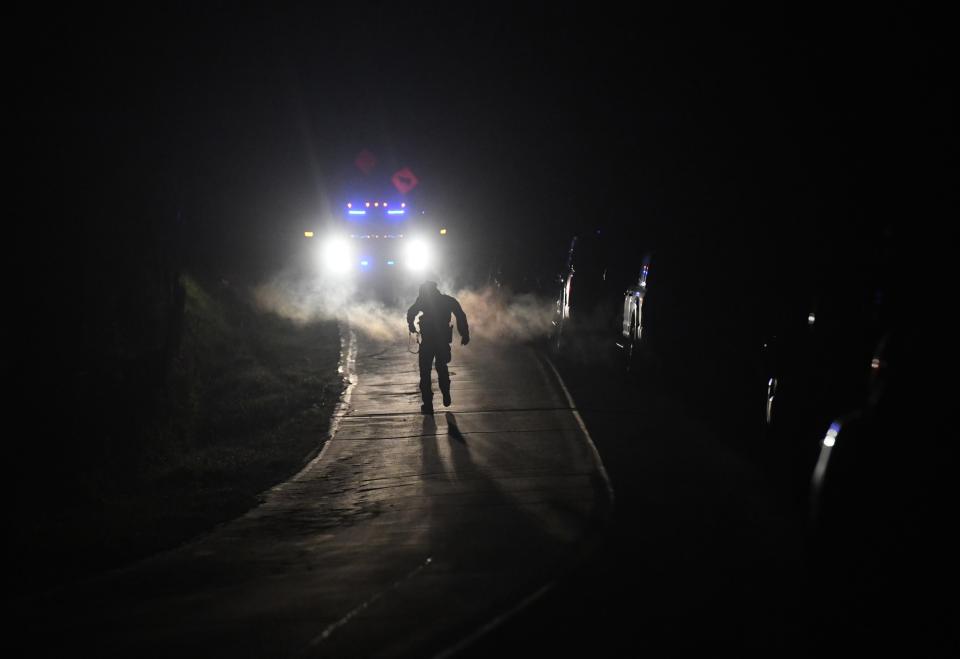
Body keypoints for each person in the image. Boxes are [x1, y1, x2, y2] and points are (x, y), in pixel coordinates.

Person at [407, 280, 469, 414]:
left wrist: (411, 326)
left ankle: (428, 404)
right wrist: (464, 333)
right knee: (442, 367)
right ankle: (445, 392)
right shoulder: (447, 300)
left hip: (428, 342)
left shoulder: (423, 301)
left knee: (425, 373)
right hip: (442, 341)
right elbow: (460, 314)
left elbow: (411, 312)